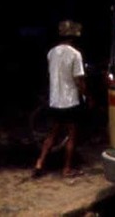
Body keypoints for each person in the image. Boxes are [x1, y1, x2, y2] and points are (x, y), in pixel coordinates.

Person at [32, 20, 90, 178]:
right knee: (72, 134)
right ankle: (67, 168)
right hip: (70, 101)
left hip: (55, 100)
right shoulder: (75, 54)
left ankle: (39, 162)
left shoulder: (51, 53)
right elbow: (79, 80)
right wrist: (87, 96)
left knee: (53, 133)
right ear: (74, 37)